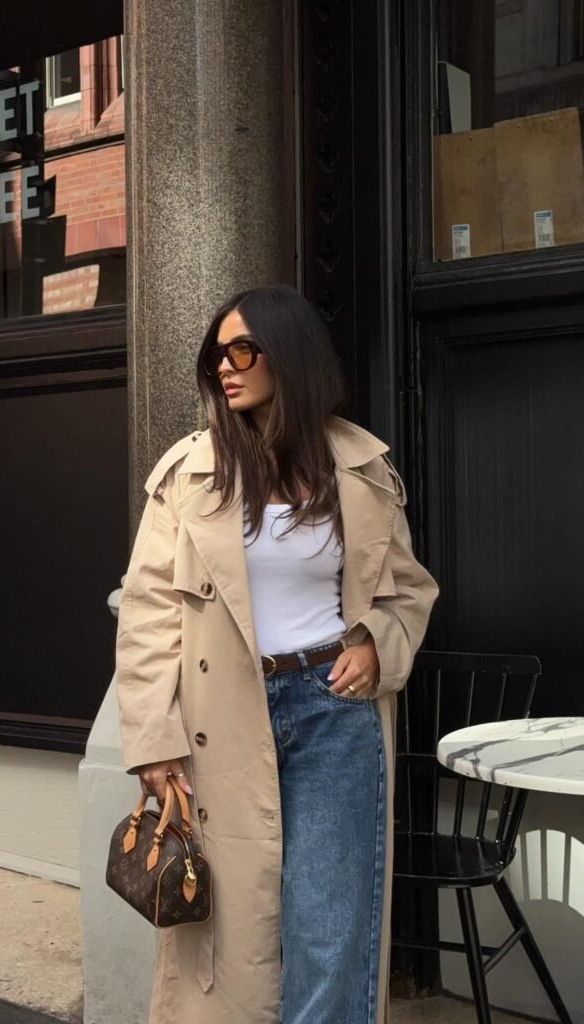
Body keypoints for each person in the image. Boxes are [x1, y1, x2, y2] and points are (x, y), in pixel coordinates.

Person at [115, 285, 438, 1024]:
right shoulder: (190, 471)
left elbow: (407, 590)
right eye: (216, 355)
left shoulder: (360, 467)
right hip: (223, 714)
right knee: (235, 934)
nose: (224, 368)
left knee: (331, 925)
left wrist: (375, 642)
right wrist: (153, 739)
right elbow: (148, 613)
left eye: (242, 350)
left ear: (288, 355)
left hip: (334, 708)